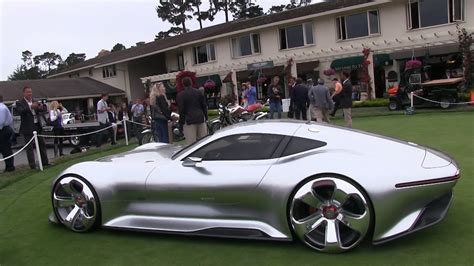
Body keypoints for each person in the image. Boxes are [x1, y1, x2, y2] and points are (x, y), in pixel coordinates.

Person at [15, 86, 49, 169]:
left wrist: (41, 107)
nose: (29, 94)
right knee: (29, 148)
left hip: (37, 125)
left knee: (42, 144)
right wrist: (30, 107)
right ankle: (33, 166)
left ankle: (45, 162)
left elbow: (43, 111)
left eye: (30, 92)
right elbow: (21, 111)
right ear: (24, 93)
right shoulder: (20, 103)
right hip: (27, 128)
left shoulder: (35, 101)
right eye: (27, 92)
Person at [177, 77, 208, 145]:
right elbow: (204, 106)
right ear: (191, 83)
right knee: (204, 142)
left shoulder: (181, 95)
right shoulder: (198, 92)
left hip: (189, 120)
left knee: (191, 144)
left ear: (183, 84)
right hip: (200, 118)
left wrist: (181, 124)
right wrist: (206, 117)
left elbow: (181, 110)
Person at [0, 95, 15, 172]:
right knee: (5, 149)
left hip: (3, 130)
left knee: (5, 149)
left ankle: (10, 167)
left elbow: (1, 121)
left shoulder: (1, 108)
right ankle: (9, 166)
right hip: (5, 129)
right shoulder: (3, 106)